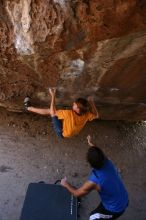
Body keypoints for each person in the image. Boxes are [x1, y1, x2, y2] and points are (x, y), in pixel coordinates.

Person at [61, 135, 129, 220]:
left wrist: (65, 184)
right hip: (123, 198)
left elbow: (77, 193)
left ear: (90, 164)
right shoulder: (107, 161)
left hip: (115, 209)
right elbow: (99, 153)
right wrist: (90, 143)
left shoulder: (95, 181)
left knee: (93, 217)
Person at [24, 88, 99, 138]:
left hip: (61, 133)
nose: (73, 103)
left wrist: (53, 95)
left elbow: (52, 112)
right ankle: (62, 121)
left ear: (78, 109)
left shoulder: (68, 114)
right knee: (57, 112)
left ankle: (28, 107)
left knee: (50, 112)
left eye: (74, 104)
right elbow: (96, 115)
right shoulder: (86, 113)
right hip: (73, 132)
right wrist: (91, 102)